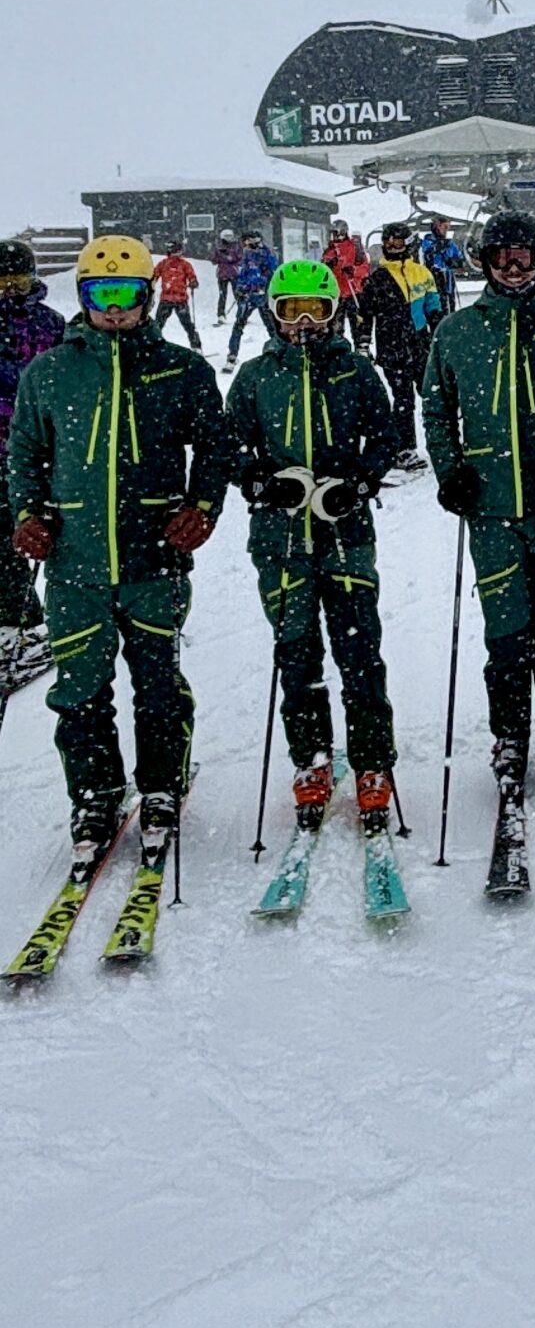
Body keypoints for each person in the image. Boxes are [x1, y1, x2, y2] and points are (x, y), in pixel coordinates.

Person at [7, 235, 226, 871]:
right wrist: (29, 514)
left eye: (127, 294)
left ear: (148, 295)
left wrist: (201, 508)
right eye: (101, 294)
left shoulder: (180, 370)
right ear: (82, 297)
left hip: (152, 562)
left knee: (157, 686)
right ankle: (96, 795)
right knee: (79, 692)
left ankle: (161, 785)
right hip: (75, 565)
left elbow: (214, 448)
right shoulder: (50, 372)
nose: (115, 308)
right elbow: (24, 455)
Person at [422, 208, 535, 824]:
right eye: (501, 257)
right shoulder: (457, 331)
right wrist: (452, 471)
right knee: (505, 633)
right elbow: (437, 410)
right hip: (492, 507)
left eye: (525, 257)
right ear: (483, 261)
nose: (513, 268)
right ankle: (509, 734)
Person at [226, 260, 401, 837]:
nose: (304, 322)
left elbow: (386, 434)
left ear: (333, 313)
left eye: (317, 310)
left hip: (343, 531)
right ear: (274, 315)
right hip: (279, 540)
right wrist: (259, 481)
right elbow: (232, 445)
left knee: (358, 651)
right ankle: (312, 757)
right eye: (291, 310)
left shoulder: (354, 371)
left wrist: (359, 482)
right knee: (296, 653)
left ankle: (373, 760)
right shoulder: (255, 377)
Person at [0, 239, 65, 692]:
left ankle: (27, 619)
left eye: (18, 282)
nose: (10, 291)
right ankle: (18, 614)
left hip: (34, 448)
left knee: (27, 530)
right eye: (2, 283)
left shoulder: (49, 324)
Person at [358, 223, 440, 471]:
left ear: (409, 243)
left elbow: (433, 307)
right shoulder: (377, 278)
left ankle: (445, 441)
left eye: (398, 242)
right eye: (388, 242)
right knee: (403, 398)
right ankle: (403, 448)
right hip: (391, 347)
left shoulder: (422, 273)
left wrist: (440, 335)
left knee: (433, 394)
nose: (392, 247)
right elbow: (365, 314)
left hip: (419, 344)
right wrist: (363, 343)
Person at [222, 230, 279, 371]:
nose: (244, 246)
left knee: (271, 326)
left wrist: (266, 282)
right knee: (239, 325)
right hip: (248, 296)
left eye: (246, 243)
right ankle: (232, 355)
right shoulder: (247, 255)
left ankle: (278, 351)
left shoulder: (267, 255)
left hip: (263, 296)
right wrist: (240, 288)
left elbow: (275, 273)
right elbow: (243, 273)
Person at [323, 220, 370, 345]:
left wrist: (353, 270)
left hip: (353, 292)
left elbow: (365, 268)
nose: (335, 237)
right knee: (335, 326)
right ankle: (337, 348)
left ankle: (361, 348)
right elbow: (323, 271)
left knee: (358, 324)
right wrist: (328, 266)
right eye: (333, 234)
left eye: (337, 234)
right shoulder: (330, 250)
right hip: (336, 294)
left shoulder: (355, 248)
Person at [153, 248, 203, 349]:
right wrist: (193, 282)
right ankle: (196, 346)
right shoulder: (184, 264)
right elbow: (192, 276)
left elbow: (154, 277)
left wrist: (149, 285)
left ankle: (152, 344)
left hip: (168, 298)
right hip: (179, 299)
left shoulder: (164, 263)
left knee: (158, 324)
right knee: (188, 324)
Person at [419, 214, 465, 316]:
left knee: (450, 303)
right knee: (437, 304)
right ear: (436, 226)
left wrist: (454, 262)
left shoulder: (450, 244)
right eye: (444, 227)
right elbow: (428, 253)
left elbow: (460, 259)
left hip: (448, 279)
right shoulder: (428, 240)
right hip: (434, 278)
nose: (446, 230)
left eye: (448, 227)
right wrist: (439, 247)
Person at [213, 229, 242, 325]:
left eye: (231, 236)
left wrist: (232, 259)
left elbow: (240, 258)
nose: (230, 238)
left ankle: (242, 314)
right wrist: (221, 255)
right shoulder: (219, 247)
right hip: (222, 274)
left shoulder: (236, 246)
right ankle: (220, 314)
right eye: (227, 237)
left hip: (234, 273)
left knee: (238, 295)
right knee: (222, 295)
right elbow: (214, 260)